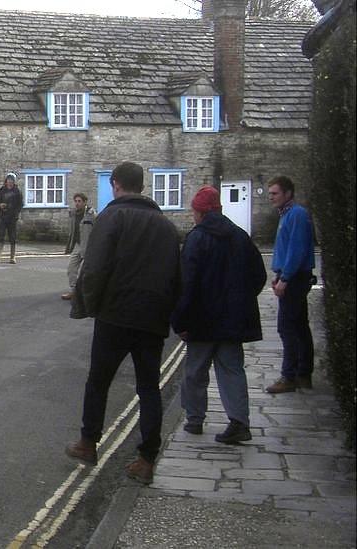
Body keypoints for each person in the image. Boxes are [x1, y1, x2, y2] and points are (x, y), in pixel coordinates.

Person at [65, 161, 180, 484]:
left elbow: (95, 268)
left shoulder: (111, 218)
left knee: (98, 381)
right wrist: (170, 313)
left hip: (115, 315)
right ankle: (146, 459)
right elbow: (176, 276)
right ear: (142, 186)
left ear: (116, 184)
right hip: (152, 319)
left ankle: (88, 443)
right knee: (148, 388)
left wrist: (87, 304)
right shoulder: (166, 226)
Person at [172, 186, 266, 444]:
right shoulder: (240, 236)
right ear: (220, 210)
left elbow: (186, 284)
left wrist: (180, 320)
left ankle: (194, 420)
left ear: (200, 212)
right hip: (232, 321)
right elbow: (259, 276)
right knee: (232, 370)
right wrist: (241, 300)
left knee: (194, 371)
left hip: (201, 321)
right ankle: (239, 422)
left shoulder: (196, 239)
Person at [265, 175, 316, 394]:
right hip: (290, 276)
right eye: (270, 194)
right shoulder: (288, 214)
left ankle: (290, 376)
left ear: (288, 193)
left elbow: (296, 250)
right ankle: (303, 373)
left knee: (287, 327)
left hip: (294, 279)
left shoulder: (296, 214)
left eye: (275, 193)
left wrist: (285, 279)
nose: (271, 198)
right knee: (299, 326)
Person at [62, 193, 96, 300]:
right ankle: (74, 291)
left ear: (85, 202)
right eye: (75, 201)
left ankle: (90, 293)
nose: (77, 203)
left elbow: (98, 229)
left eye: (79, 201)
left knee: (88, 272)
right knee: (71, 269)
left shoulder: (92, 214)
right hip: (77, 244)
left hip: (89, 246)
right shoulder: (72, 214)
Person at [0, 172, 23, 264]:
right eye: (8, 180)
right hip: (2, 216)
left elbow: (20, 204)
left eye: (11, 180)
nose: (9, 182)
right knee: (0, 235)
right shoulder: (2, 190)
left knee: (12, 237)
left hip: (12, 217)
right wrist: (0, 205)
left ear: (14, 182)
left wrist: (15, 212)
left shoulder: (17, 191)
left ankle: (13, 257)